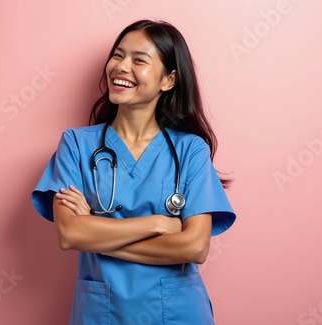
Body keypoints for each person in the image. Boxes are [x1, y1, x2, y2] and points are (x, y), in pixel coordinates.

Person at [32, 19, 237, 325]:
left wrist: (95, 230)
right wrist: (156, 223)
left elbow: (194, 247)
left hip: (178, 313)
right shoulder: (76, 144)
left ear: (168, 80)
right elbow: (70, 234)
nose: (121, 66)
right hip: (102, 313)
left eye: (139, 60)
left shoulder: (190, 150)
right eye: (118, 55)